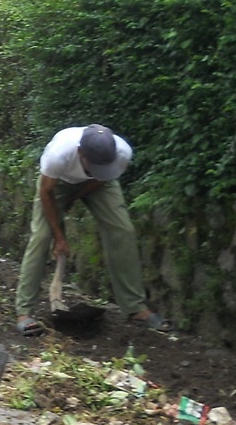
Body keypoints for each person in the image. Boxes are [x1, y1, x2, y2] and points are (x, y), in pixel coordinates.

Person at [15, 124, 174, 336]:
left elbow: (103, 178)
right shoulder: (58, 155)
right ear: (81, 153)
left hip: (99, 185)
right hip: (59, 183)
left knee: (123, 230)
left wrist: (76, 196)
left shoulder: (121, 153)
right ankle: (24, 312)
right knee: (41, 237)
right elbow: (46, 193)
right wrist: (59, 236)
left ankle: (136, 307)